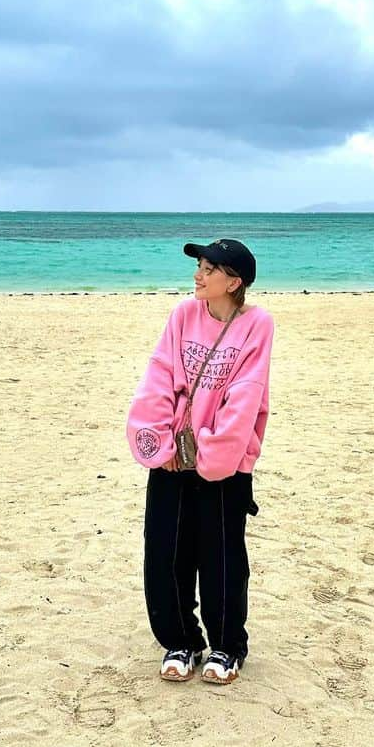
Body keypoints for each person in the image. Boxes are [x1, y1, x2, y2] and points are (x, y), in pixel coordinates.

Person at [127, 238, 274, 686]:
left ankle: (227, 647)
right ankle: (181, 640)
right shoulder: (182, 316)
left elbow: (246, 395)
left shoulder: (256, 324)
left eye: (210, 269)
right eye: (199, 266)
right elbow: (158, 378)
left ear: (235, 281)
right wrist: (160, 445)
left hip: (224, 464)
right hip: (172, 458)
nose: (199, 275)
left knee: (221, 557)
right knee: (165, 552)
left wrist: (211, 456)